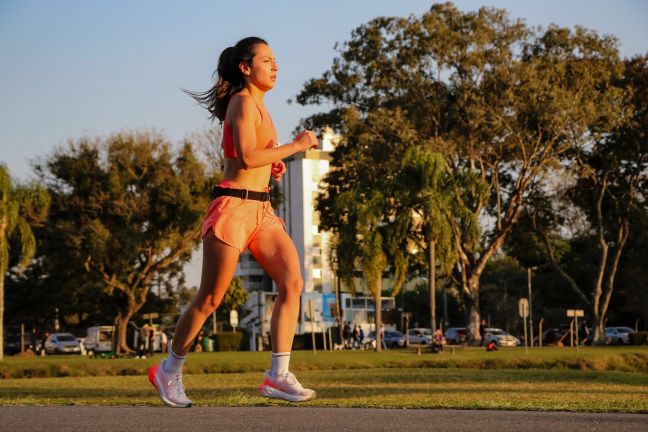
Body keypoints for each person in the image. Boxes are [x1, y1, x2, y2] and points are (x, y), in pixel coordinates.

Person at [148, 36, 319, 407]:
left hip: (262, 211)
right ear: (246, 67)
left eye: (276, 60)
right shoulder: (242, 103)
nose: (276, 66)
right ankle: (169, 370)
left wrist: (272, 164)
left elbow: (254, 156)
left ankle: (278, 375)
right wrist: (295, 146)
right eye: (267, 60)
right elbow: (246, 154)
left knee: (292, 280)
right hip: (233, 207)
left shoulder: (262, 109)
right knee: (210, 299)